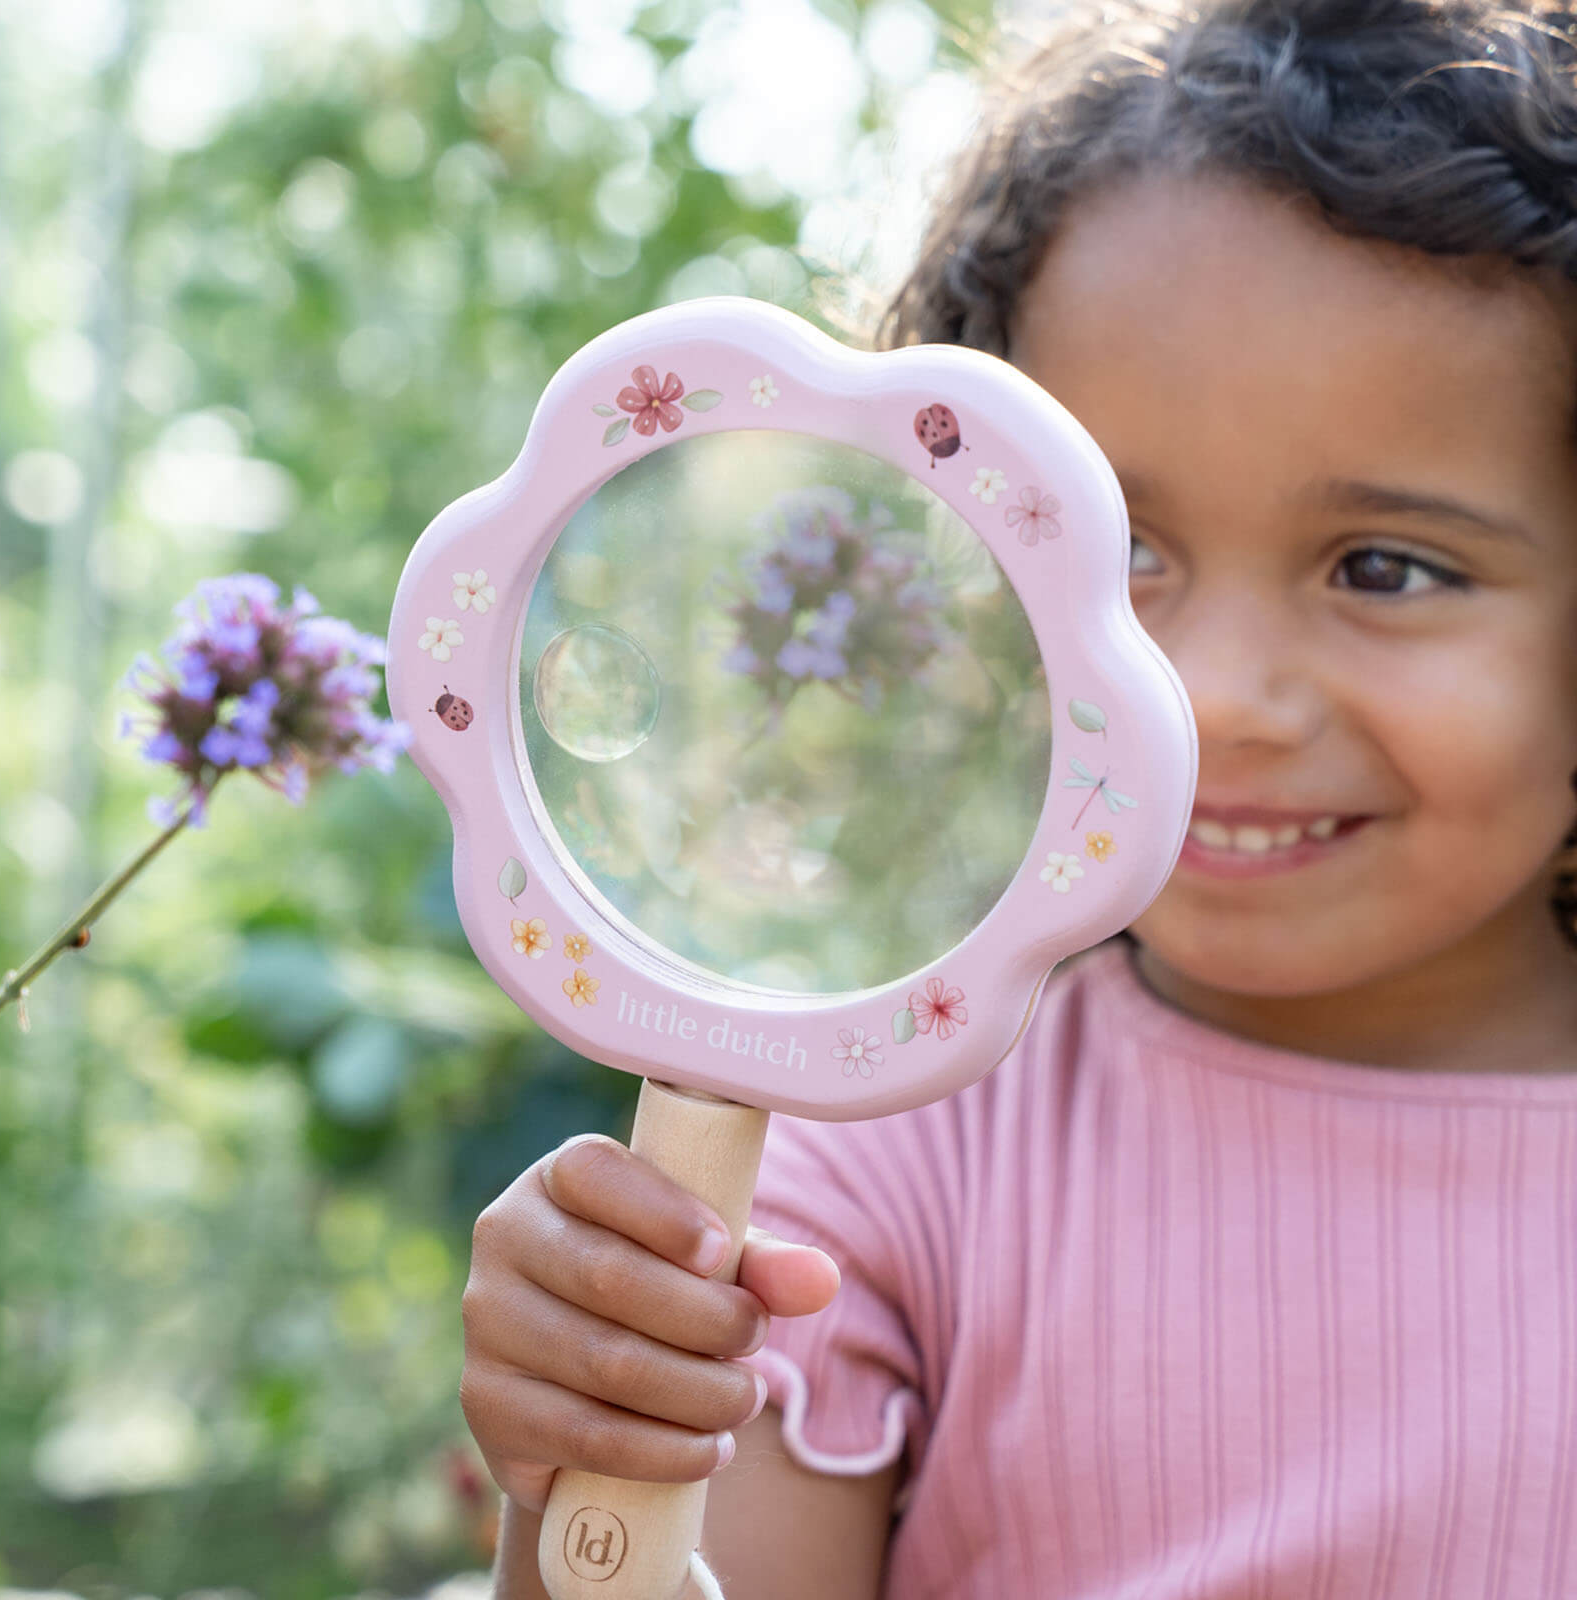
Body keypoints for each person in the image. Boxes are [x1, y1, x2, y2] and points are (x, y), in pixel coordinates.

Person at [459, 0, 1577, 1592]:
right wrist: (586, 1470)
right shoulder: (874, 1163)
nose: (1214, 698)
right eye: (1117, 552)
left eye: (1385, 568)